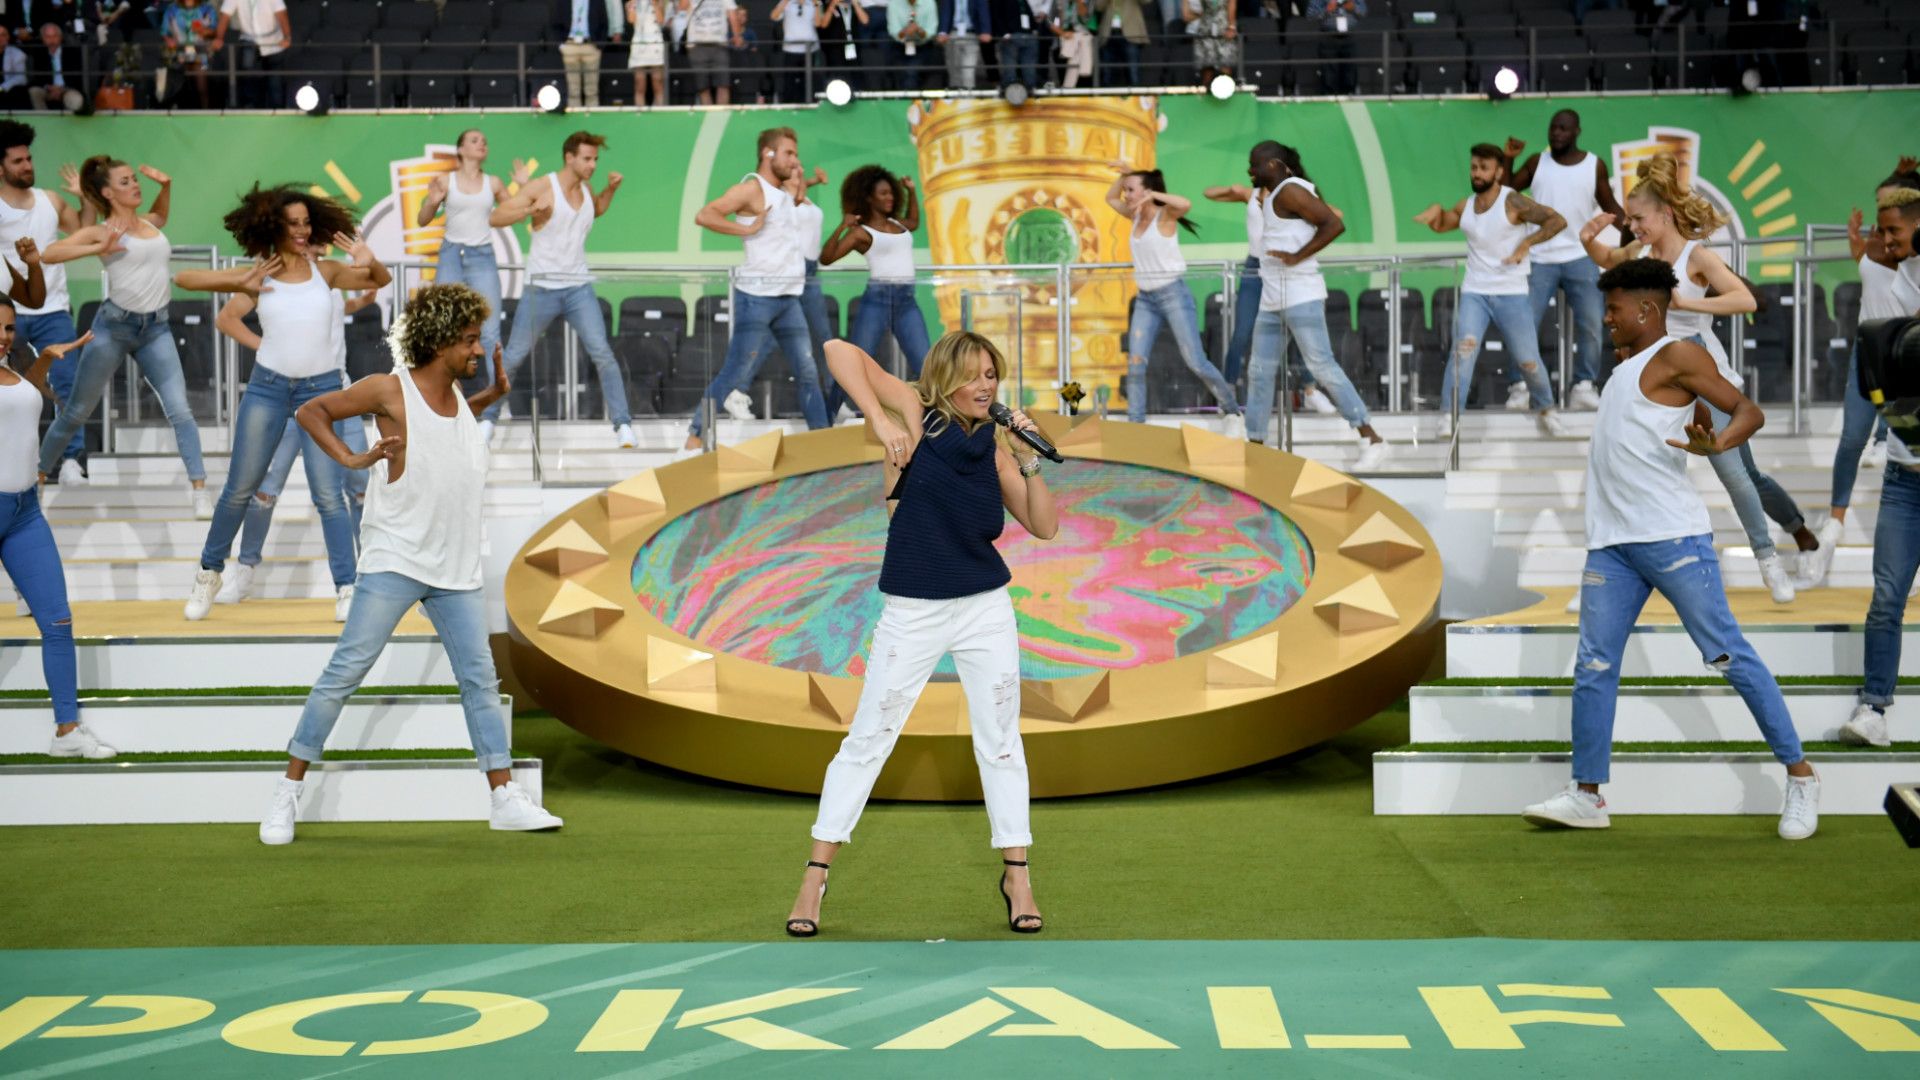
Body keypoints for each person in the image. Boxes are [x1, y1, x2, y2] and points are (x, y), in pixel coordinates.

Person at [1521, 257, 1818, 840]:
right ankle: (1587, 795)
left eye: (1613, 308)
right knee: (1594, 668)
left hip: (1674, 539)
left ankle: (1802, 777)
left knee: (1728, 655)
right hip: (1610, 547)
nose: (1606, 318)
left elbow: (1747, 410)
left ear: (1647, 309)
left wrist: (1718, 446)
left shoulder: (1678, 355)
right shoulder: (1622, 371)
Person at [259, 283, 563, 845]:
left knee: (479, 680)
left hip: (455, 567)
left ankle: (502, 798)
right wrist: (352, 457)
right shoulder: (388, 389)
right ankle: (287, 792)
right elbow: (311, 410)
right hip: (396, 558)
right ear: (441, 340)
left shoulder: (455, 400)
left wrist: (493, 393)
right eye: (470, 341)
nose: (477, 349)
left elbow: (446, 429)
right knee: (345, 673)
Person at [785, 331, 1055, 938]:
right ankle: (814, 875)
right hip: (913, 609)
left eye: (993, 372)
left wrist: (1029, 458)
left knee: (1001, 740)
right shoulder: (917, 411)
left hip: (985, 607)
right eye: (974, 373)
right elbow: (835, 348)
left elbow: (1044, 526)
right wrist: (879, 421)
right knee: (868, 738)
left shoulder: (995, 447)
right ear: (944, 376)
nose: (987, 384)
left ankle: (1018, 875)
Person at [1579, 154, 1819, 604]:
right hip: (1657, 376)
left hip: (1701, 370)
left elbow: (1745, 300)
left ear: (1665, 213)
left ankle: (1773, 558)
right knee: (1742, 473)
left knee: (1738, 474)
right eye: (1628, 218)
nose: (1633, 226)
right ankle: (1800, 532)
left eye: (1638, 218)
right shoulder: (1642, 254)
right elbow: (1608, 258)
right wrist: (1587, 239)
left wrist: (1691, 307)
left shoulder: (1697, 256)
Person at [173, 186, 389, 623]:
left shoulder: (326, 271)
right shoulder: (262, 274)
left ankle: (345, 586)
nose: (303, 230)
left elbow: (378, 281)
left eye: (307, 222)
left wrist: (367, 256)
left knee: (329, 496)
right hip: (268, 389)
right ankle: (209, 572)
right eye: (293, 223)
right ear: (274, 226)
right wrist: (240, 282)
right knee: (239, 490)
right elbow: (183, 280)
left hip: (323, 391)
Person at [39, 157, 213, 517]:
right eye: (125, 182)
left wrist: (166, 187)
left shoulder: (149, 222)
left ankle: (199, 488)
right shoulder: (103, 231)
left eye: (135, 179)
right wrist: (95, 249)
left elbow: (161, 216)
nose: (135, 185)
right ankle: (38, 478)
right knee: (76, 412)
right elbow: (50, 253)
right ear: (107, 192)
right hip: (113, 328)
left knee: (180, 409)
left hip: (156, 328)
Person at [213, 286, 379, 607]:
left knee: (359, 487)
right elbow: (229, 317)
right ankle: (245, 571)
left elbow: (348, 301)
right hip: (289, 397)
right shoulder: (283, 286)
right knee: (265, 489)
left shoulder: (330, 281)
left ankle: (364, 576)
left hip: (339, 397)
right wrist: (267, 351)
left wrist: (363, 294)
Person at [0, 295, 113, 760]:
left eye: (8, 328)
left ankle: (67, 731)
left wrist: (43, 361)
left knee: (58, 620)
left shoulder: (13, 373)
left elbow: (17, 402)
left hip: (25, 511)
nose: (3, 337)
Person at [1798, 167, 1920, 589]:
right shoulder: (1876, 241)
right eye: (1878, 212)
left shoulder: (1916, 261)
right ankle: (1833, 527)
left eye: (1892, 219)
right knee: (1851, 440)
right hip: (1865, 354)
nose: (1882, 230)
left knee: (1902, 444)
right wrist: (1856, 239)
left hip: (1905, 361)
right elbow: (1866, 264)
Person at [483, 130, 635, 449]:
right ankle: (488, 418)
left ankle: (622, 425)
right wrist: (532, 211)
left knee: (603, 353)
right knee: (513, 356)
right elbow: (497, 216)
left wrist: (611, 188)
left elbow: (598, 208)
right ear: (569, 157)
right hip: (542, 287)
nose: (592, 164)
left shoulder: (586, 186)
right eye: (587, 158)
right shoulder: (542, 186)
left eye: (595, 159)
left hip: (578, 287)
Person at [685, 127, 831, 451]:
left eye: (795, 154)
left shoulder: (782, 193)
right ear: (768, 153)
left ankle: (823, 441)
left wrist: (809, 181)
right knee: (736, 370)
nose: (795, 160)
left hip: (788, 298)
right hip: (757, 298)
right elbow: (704, 214)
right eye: (789, 153)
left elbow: (793, 198)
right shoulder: (752, 189)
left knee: (807, 370)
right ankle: (696, 433)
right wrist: (746, 228)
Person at [1412, 142, 1571, 440]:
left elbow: (1557, 220)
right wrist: (1435, 214)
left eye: (1484, 168)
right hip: (1475, 290)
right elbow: (1445, 223)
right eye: (1474, 167)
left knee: (1528, 359)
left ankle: (1547, 408)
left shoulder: (1513, 202)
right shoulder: (1465, 205)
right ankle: (1449, 414)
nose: (1477, 173)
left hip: (1511, 292)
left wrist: (1525, 245)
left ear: (1498, 171)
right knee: (1464, 350)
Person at [1243, 141, 1387, 466]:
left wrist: (1296, 257)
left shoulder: (1290, 190)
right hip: (1273, 297)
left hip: (1300, 294)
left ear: (1277, 164)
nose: (1250, 170)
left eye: (1256, 164)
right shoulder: (1277, 192)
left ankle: (1371, 437)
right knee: (1260, 371)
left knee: (1322, 366)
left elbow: (1334, 224)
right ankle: (1254, 445)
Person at [1837, 186, 1920, 750]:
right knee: (1886, 598)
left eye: (1894, 231)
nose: (1883, 240)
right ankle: (1873, 709)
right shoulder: (1889, 275)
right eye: (1882, 232)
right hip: (1902, 477)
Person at [1502, 110, 1630, 412]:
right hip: (1539, 257)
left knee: (1592, 324)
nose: (1556, 133)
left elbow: (1610, 206)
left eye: (1563, 128)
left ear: (1576, 132)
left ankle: (1583, 385)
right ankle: (1520, 387)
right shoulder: (1537, 162)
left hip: (1580, 255)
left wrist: (1634, 229)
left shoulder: (1593, 164)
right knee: (1524, 324)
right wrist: (1508, 159)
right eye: (1552, 128)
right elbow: (1507, 193)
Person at [1105, 163, 1244, 435]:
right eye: (1126, 190)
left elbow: (1186, 203)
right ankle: (1136, 426)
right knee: (1135, 361)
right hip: (1146, 299)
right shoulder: (1134, 217)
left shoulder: (1164, 215)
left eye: (1131, 190)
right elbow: (1110, 199)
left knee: (1195, 360)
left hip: (1173, 294)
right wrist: (1123, 176)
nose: (1126, 195)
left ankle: (1232, 409)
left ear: (1147, 191)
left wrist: (1154, 197)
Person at [0, 121, 93, 487]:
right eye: (18, 160)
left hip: (53, 308)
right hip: (8, 312)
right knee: (11, 388)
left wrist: (83, 197)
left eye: (29, 158)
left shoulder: (50, 200)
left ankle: (71, 461)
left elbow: (81, 229)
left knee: (68, 386)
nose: (27, 165)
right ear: (1, 167)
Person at [414, 129, 527, 409]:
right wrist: (431, 200)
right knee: (443, 328)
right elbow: (422, 220)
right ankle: (437, 397)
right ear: (461, 149)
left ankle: (497, 402)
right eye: (475, 140)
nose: (482, 144)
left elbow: (514, 210)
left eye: (484, 141)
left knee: (489, 333)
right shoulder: (445, 180)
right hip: (451, 253)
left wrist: (524, 187)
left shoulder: (494, 182)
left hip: (483, 257)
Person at [1202, 176, 1335, 414]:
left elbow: (1335, 216)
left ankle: (1310, 391)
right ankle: (1228, 392)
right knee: (1242, 332)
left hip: (1282, 265)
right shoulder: (1250, 194)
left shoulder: (1291, 198)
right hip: (1255, 268)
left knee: (1299, 330)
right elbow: (1209, 193)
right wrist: (1229, 187)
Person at [820, 164, 932, 417]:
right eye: (883, 194)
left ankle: (931, 424)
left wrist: (911, 191)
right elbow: (827, 258)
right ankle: (827, 419)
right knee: (853, 364)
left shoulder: (898, 224)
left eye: (891, 193)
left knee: (926, 365)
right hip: (877, 301)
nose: (890, 197)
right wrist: (842, 226)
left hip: (907, 301)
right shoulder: (861, 233)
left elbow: (913, 221)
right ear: (869, 197)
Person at [210, 0, 290, 109]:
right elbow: (225, 15)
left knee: (275, 84)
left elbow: (282, 14)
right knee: (250, 79)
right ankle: (253, 113)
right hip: (249, 40)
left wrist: (287, 37)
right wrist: (219, 38)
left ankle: (277, 115)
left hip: (274, 43)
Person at [551, 0, 618, 109]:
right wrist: (561, 45)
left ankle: (591, 118)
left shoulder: (597, 2)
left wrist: (599, 46)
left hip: (590, 45)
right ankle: (575, 119)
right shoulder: (563, 2)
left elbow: (604, 23)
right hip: (570, 45)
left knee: (592, 89)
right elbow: (555, 24)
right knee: (573, 89)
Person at [159, 0, 217, 108]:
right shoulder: (172, 9)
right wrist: (169, 40)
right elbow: (164, 32)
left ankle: (205, 110)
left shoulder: (207, 8)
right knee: (181, 78)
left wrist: (203, 31)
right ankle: (182, 107)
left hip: (201, 51)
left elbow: (214, 31)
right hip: (179, 51)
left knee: (201, 81)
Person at [681, 0, 737, 106]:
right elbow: (682, 6)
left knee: (723, 84)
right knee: (702, 87)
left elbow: (732, 12)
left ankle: (721, 116)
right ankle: (708, 115)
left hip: (719, 43)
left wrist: (737, 35)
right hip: (697, 43)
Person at [26, 21, 83, 112]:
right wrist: (49, 87)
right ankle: (44, 122)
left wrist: (61, 89)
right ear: (43, 39)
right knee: (34, 91)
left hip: (66, 89)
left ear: (60, 38)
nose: (52, 40)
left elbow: (77, 77)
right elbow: (35, 78)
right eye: (48, 37)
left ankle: (69, 125)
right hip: (47, 89)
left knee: (75, 99)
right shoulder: (38, 54)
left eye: (55, 36)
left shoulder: (72, 53)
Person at [772, 0, 821, 103]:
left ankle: (809, 105)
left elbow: (818, 23)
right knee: (789, 81)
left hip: (809, 50)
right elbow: (774, 16)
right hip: (790, 49)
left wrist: (816, 4)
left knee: (808, 81)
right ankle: (789, 107)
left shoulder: (814, 2)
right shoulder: (786, 2)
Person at [1311, 0, 1363, 95]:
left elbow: (1363, 12)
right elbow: (1311, 15)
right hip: (1328, 38)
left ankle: (1349, 96)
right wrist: (1327, 10)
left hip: (1349, 37)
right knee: (1329, 74)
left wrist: (1354, 9)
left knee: (1350, 72)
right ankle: (1329, 98)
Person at [936, 0, 991, 90]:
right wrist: (942, 32)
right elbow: (945, 12)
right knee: (954, 72)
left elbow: (983, 11)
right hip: (953, 33)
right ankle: (956, 99)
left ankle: (968, 99)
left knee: (969, 70)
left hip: (971, 34)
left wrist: (985, 31)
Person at [625, 0, 668, 108]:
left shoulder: (660, 2)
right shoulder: (632, 2)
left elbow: (661, 20)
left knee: (657, 83)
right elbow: (631, 19)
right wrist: (632, 6)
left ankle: (659, 111)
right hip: (639, 45)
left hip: (655, 45)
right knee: (640, 83)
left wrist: (655, 4)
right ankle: (640, 113)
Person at [988, 0, 1038, 89]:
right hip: (1010, 36)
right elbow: (996, 14)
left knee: (1029, 66)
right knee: (1010, 67)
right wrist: (1004, 33)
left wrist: (1034, 29)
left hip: (1028, 35)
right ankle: (1010, 90)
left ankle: (1030, 89)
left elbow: (1028, 12)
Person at [887, 0, 935, 90]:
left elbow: (931, 31)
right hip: (899, 47)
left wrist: (918, 30)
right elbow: (894, 31)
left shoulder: (929, 2)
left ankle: (910, 101)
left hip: (923, 47)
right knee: (898, 76)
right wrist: (906, 31)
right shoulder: (894, 3)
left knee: (911, 74)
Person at [1184, 0, 1234, 85]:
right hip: (1205, 31)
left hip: (1223, 30)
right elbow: (1187, 15)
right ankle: (1205, 93)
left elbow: (1232, 4)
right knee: (1207, 71)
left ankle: (1226, 93)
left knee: (1225, 69)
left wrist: (1231, 26)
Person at [1052, 0, 1094, 88]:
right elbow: (1052, 23)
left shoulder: (1086, 2)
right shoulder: (1058, 3)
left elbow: (1085, 18)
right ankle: (1066, 88)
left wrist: (1079, 2)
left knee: (1082, 42)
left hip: (1082, 39)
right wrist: (1063, 33)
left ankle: (1068, 87)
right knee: (1067, 61)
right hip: (1063, 40)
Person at [0, 27, 30, 110]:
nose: (0, 38)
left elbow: (21, 78)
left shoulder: (17, 53)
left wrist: (2, 88)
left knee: (18, 92)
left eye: (3, 35)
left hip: (7, 91)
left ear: (8, 37)